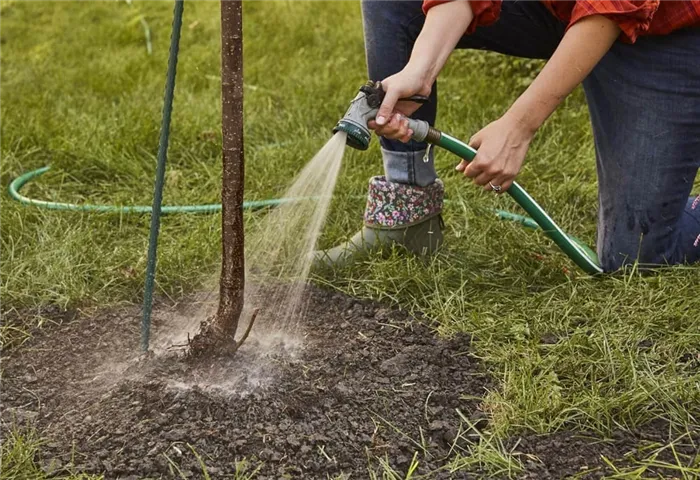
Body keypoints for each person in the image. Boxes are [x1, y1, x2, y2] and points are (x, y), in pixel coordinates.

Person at [315, 0, 700, 273]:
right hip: (556, 8)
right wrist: (421, 70)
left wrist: (518, 126)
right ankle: (406, 212)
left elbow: (613, 5)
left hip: (665, 35)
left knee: (635, 257)